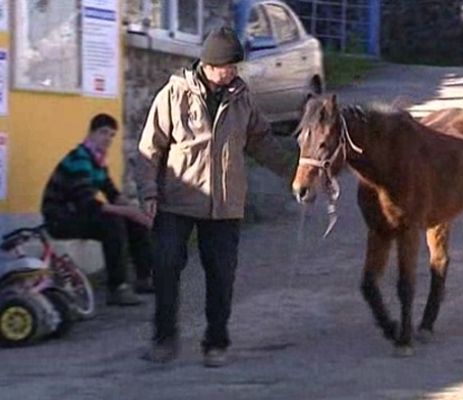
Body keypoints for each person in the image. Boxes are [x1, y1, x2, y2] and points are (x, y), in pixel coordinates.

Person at [136, 27, 294, 366]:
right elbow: (150, 148)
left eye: (236, 66)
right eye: (228, 66)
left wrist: (293, 174)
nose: (233, 72)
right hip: (176, 201)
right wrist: (149, 191)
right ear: (209, 64)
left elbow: (262, 141)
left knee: (222, 275)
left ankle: (216, 343)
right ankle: (164, 340)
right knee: (165, 269)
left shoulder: (242, 98)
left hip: (224, 206)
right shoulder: (174, 95)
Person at [42, 113, 154, 306]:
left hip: (78, 214)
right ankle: (117, 288)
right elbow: (89, 203)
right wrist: (128, 212)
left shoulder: (97, 161)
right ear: (91, 133)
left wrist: (138, 211)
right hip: (59, 219)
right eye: (103, 133)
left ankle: (143, 278)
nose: (108, 139)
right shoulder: (79, 158)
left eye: (112, 135)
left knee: (133, 221)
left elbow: (112, 194)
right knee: (113, 224)